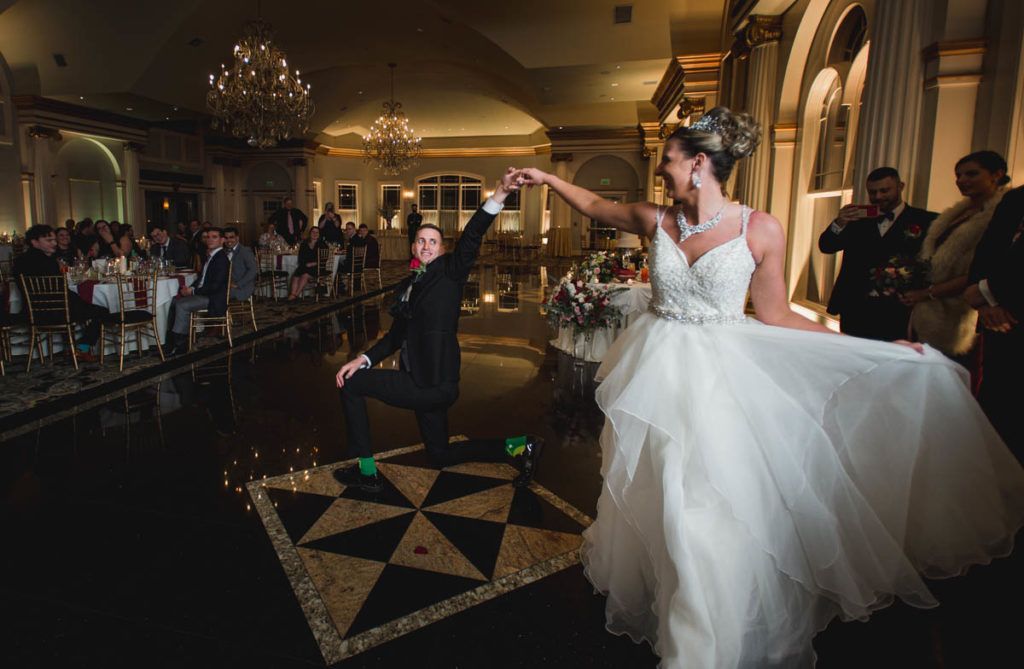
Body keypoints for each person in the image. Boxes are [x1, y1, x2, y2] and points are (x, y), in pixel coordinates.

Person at [519, 107, 1024, 669]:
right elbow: (594, 203)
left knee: (709, 497)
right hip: (656, 370)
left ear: (699, 164)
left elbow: (778, 314)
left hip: (723, 377)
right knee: (663, 487)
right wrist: (545, 178)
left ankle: (708, 631)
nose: (660, 168)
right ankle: (672, 596)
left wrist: (873, 349)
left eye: (668, 160)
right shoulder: (655, 218)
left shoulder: (758, 228)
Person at [333, 168, 543, 492]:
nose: (427, 246)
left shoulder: (450, 273)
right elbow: (394, 338)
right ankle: (518, 446)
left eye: (433, 241)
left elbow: (473, 234)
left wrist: (500, 193)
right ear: (414, 247)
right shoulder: (409, 284)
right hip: (436, 385)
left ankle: (366, 471)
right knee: (441, 454)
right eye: (422, 241)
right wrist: (361, 359)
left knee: (350, 387)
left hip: (426, 382)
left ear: (442, 249)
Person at [903, 151, 1010, 364]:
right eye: (958, 175)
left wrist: (929, 293)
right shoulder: (960, 212)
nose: (962, 181)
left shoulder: (1002, 215)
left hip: (966, 311)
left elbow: (982, 271)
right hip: (931, 310)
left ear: (996, 175)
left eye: (971, 174)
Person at [818, 167, 937, 340]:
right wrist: (839, 222)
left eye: (884, 190)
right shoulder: (856, 219)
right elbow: (826, 246)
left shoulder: (925, 220)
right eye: (873, 192)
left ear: (900, 187)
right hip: (855, 306)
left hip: (898, 308)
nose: (878, 197)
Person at [965, 183, 1024, 459]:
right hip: (1000, 322)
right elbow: (987, 250)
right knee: (998, 410)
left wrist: (988, 291)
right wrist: (984, 299)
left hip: (1011, 307)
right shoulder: (1016, 199)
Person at [13, 225, 108, 361]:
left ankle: (70, 348)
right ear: (34, 242)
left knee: (75, 305)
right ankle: (82, 348)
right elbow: (60, 290)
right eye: (48, 240)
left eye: (53, 239)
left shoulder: (19, 261)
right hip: (56, 312)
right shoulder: (48, 262)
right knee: (101, 310)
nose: (54, 243)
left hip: (33, 312)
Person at [166, 227, 230, 356]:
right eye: (208, 237)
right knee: (172, 301)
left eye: (214, 237)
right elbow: (202, 278)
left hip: (214, 297)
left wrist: (193, 292)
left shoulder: (221, 259)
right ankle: (171, 340)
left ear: (222, 240)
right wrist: (190, 288)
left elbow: (215, 286)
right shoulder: (211, 256)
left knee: (182, 305)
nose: (210, 239)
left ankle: (180, 345)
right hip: (205, 293)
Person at [287, 226, 325, 300]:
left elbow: (324, 259)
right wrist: (305, 264)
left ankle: (295, 295)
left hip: (317, 267)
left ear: (319, 234)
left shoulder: (322, 245)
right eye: (313, 232)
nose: (315, 234)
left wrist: (313, 263)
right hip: (305, 266)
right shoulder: (304, 244)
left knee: (305, 275)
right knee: (296, 275)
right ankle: (292, 294)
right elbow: (300, 258)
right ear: (310, 233)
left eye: (317, 232)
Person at [222, 226, 258, 302]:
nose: (228, 240)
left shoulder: (245, 251)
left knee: (215, 293)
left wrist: (238, 284)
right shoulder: (223, 251)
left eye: (231, 237)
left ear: (237, 238)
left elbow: (253, 270)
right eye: (226, 238)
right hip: (227, 285)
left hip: (242, 287)